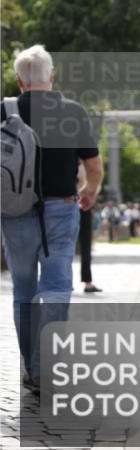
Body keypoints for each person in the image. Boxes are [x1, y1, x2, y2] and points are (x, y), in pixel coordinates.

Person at [1, 44, 103, 394]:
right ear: (51, 77)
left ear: (19, 80)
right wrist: (89, 191)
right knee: (57, 287)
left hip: (14, 212)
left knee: (24, 292)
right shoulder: (73, 111)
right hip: (61, 209)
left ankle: (32, 369)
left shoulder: (4, 111)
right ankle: (48, 367)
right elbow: (94, 167)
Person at [76, 162, 100, 292]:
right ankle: (87, 282)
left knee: (63, 246)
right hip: (83, 205)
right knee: (86, 247)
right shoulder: (86, 164)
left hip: (67, 204)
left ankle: (64, 282)